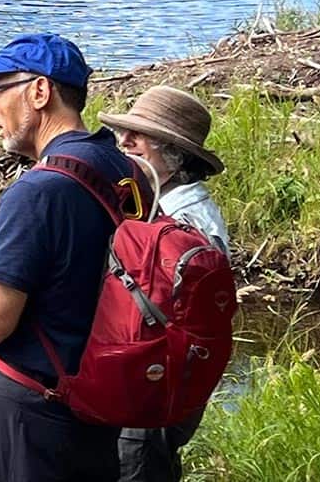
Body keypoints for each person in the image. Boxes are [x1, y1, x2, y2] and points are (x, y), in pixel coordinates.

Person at [0, 33, 142, 482]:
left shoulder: (37, 190)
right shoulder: (124, 168)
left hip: (28, 416)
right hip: (100, 405)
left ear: (39, 91)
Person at [105, 86, 228, 482]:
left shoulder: (189, 225)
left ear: (173, 155)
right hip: (143, 384)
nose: (124, 143)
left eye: (137, 137)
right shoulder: (156, 207)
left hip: (152, 389)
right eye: (125, 133)